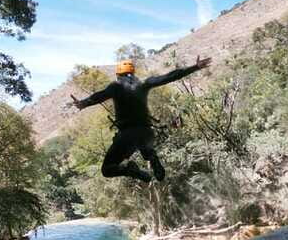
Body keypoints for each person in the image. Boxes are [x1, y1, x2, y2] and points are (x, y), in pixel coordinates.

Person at [71, 56, 212, 183]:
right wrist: (195, 67)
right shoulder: (144, 83)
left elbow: (99, 96)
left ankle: (132, 171)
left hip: (127, 136)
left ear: (118, 75)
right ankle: (151, 156)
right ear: (133, 73)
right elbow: (169, 77)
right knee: (144, 144)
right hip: (147, 133)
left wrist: (83, 103)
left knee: (107, 169)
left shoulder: (115, 87)